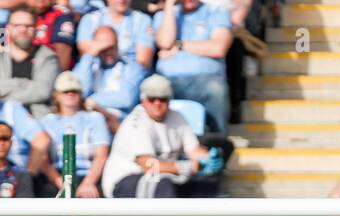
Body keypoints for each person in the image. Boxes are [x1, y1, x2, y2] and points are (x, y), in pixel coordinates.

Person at [100, 73, 222, 197]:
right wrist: (186, 167)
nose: (157, 103)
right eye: (152, 99)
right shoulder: (136, 123)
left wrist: (208, 159)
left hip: (162, 177)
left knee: (207, 184)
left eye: (162, 99)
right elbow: (148, 165)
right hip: (125, 180)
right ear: (143, 100)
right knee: (163, 184)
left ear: (169, 100)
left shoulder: (177, 117)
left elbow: (194, 150)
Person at [152, 0, 231, 134]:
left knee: (216, 89)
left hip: (204, 80)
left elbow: (218, 48)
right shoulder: (163, 15)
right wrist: (170, 6)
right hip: (168, 80)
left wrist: (179, 45)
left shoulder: (216, 12)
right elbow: (165, 42)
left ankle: (217, 144)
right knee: (153, 89)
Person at [39, 70, 110, 198]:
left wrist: (88, 183)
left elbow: (101, 156)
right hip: (57, 176)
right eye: (66, 91)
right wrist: (58, 181)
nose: (70, 94)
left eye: (75, 91)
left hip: (88, 174)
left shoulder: (94, 118)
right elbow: (42, 159)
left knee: (93, 195)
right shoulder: (47, 121)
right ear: (57, 95)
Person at [0, 4, 60, 118]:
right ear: (8, 28)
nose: (23, 30)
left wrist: (2, 91)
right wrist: (24, 83)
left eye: (28, 26)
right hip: (1, 120)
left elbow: (42, 92)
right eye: (17, 25)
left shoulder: (48, 57)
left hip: (38, 122)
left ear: (36, 28)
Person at [75, 23, 145, 130]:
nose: (108, 53)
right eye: (103, 49)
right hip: (90, 121)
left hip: (121, 123)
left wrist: (92, 101)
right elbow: (79, 91)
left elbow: (126, 99)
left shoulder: (132, 68)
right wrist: (89, 56)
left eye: (111, 47)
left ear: (117, 45)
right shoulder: (89, 66)